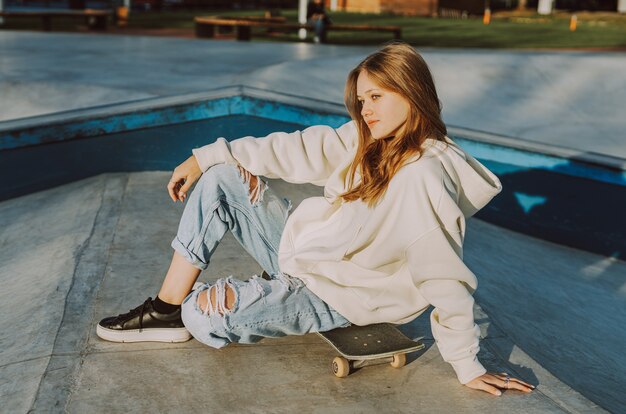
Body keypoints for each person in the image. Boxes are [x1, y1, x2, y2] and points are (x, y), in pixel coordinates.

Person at [97, 42, 534, 396]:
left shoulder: (423, 175)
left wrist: (465, 362)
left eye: (377, 97)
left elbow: (444, 277)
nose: (366, 110)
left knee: (205, 316)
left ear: (411, 92)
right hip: (306, 255)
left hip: (341, 297)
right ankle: (165, 310)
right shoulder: (373, 139)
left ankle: (206, 308)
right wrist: (204, 156)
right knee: (222, 177)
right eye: (362, 100)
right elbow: (301, 147)